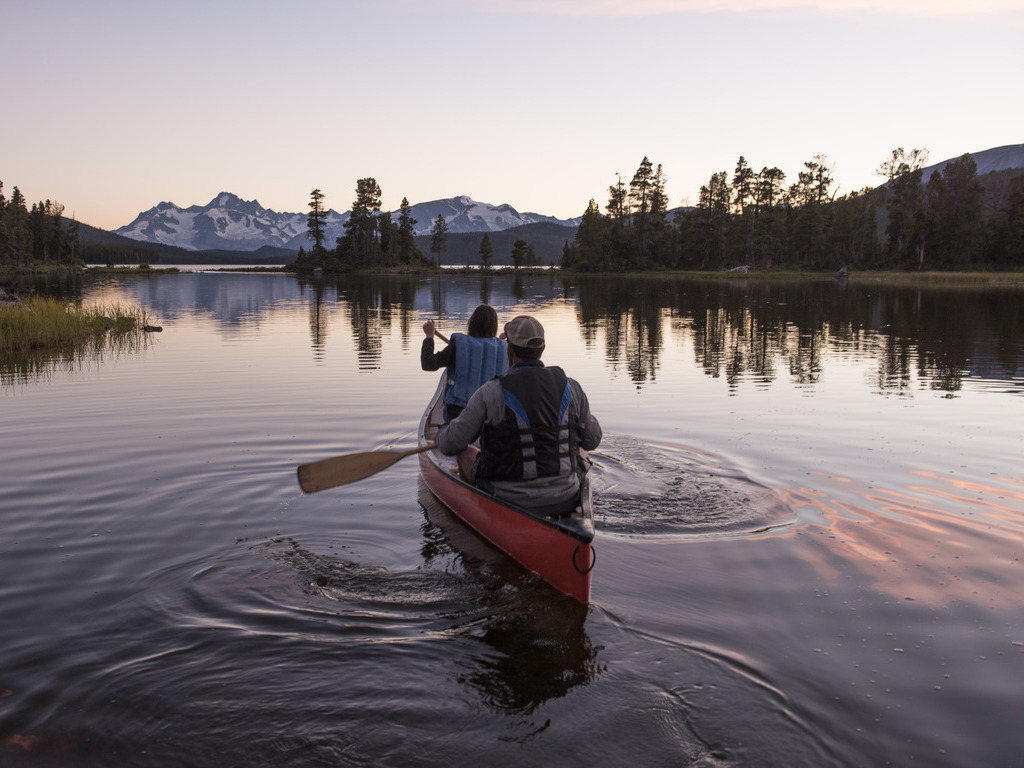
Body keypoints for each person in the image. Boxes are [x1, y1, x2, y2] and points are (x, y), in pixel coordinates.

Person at [435, 315, 601, 514]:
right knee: (582, 452)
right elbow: (592, 441)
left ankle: (481, 510)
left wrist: (441, 435)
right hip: (566, 496)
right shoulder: (571, 387)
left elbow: (450, 444)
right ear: (542, 349)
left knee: (464, 450)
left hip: (508, 498)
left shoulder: (491, 391)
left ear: (510, 349)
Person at [422, 304, 508, 421]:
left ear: (471, 323)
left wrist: (429, 336)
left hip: (459, 414)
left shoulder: (458, 346)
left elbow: (428, 363)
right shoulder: (506, 349)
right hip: (491, 415)